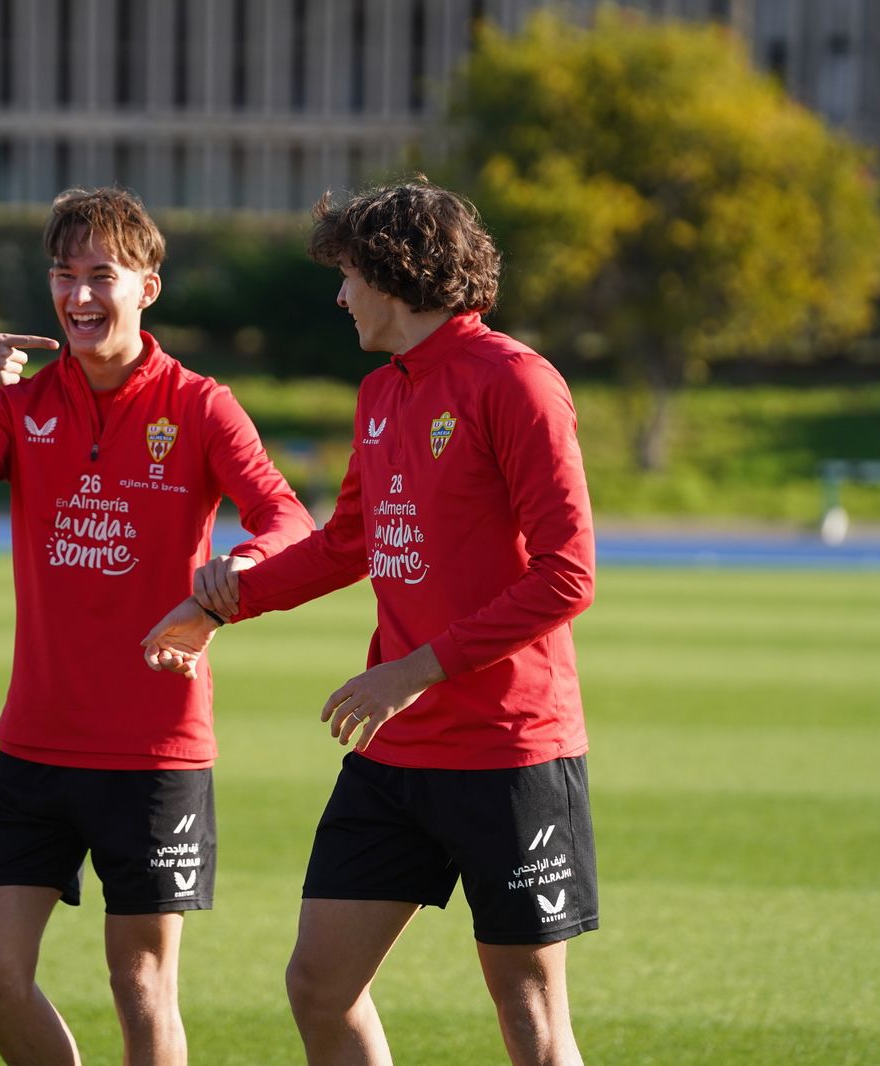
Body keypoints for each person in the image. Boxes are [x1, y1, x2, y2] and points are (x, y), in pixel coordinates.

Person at [143, 180, 598, 1066]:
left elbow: (568, 575)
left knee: (532, 1022)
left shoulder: (516, 381)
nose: (339, 294)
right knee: (320, 986)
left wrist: (412, 669)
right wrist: (216, 605)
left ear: (396, 274)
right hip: (396, 758)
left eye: (348, 274)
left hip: (511, 752)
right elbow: (348, 543)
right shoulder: (382, 395)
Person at [0, 186, 313, 1065]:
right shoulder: (21, 404)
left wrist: (231, 576)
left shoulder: (200, 405)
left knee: (141, 988)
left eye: (102, 275)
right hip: (36, 745)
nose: (79, 296)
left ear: (148, 288)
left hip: (154, 749)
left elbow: (287, 519)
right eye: (64, 275)